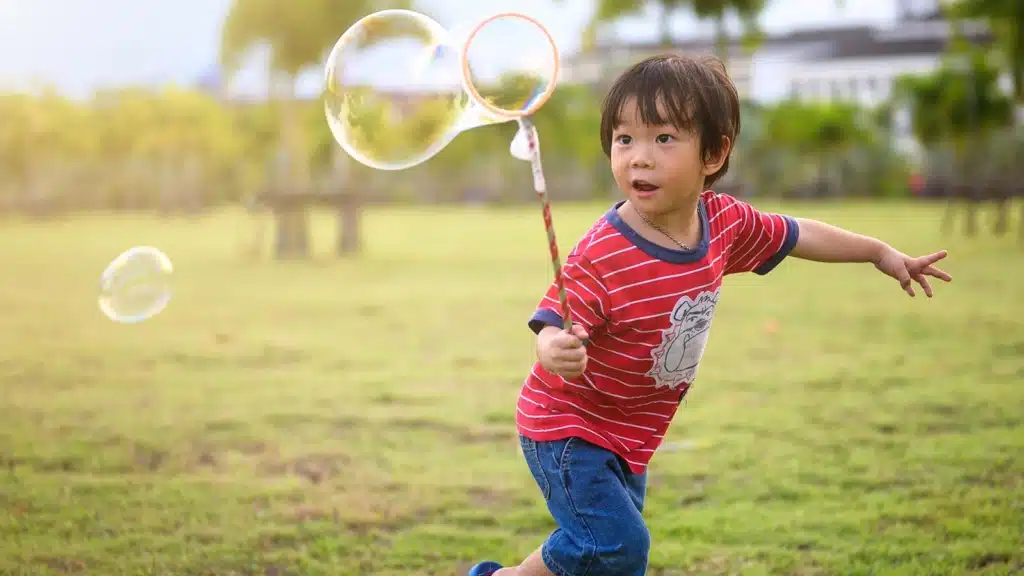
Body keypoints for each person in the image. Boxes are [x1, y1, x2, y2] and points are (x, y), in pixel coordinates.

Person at [467, 54, 951, 576]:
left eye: (664, 139)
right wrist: (553, 348)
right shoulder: (602, 252)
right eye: (624, 139)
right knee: (616, 546)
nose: (639, 158)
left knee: (610, 559)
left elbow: (797, 234)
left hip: (632, 430)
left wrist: (878, 252)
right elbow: (552, 323)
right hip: (568, 428)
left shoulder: (722, 222)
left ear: (714, 154)